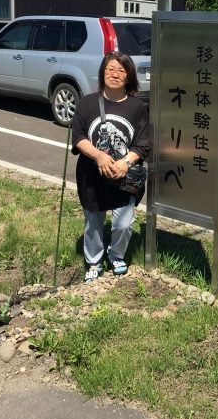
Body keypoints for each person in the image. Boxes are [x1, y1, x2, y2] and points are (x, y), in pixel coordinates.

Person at [71, 52, 149, 282]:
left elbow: (143, 143)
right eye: (110, 69)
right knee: (93, 221)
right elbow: (79, 136)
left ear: (129, 77)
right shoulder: (87, 103)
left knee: (124, 223)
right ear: (102, 72)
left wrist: (126, 162)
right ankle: (93, 261)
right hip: (92, 175)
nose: (115, 74)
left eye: (121, 70)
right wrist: (99, 157)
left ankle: (116, 255)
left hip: (124, 175)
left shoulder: (137, 107)